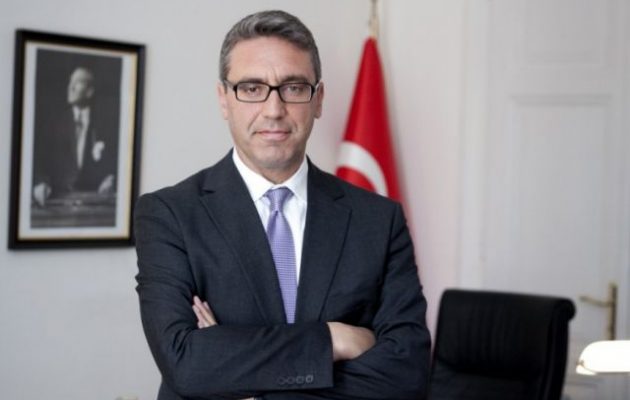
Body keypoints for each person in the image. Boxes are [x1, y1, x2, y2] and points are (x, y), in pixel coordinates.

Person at [135, 10, 430, 400]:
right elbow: (186, 365)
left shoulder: (378, 220)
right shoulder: (169, 215)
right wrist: (333, 339)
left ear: (318, 99)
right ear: (224, 99)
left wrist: (238, 374)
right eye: (252, 88)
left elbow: (408, 372)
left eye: (293, 87)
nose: (274, 110)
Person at [32, 66, 116, 207]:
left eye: (77, 82)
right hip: (57, 200)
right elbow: (40, 160)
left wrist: (112, 178)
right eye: (70, 82)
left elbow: (117, 161)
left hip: (95, 202)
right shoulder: (54, 122)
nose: (70, 87)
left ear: (90, 91)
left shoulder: (106, 124)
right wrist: (41, 182)